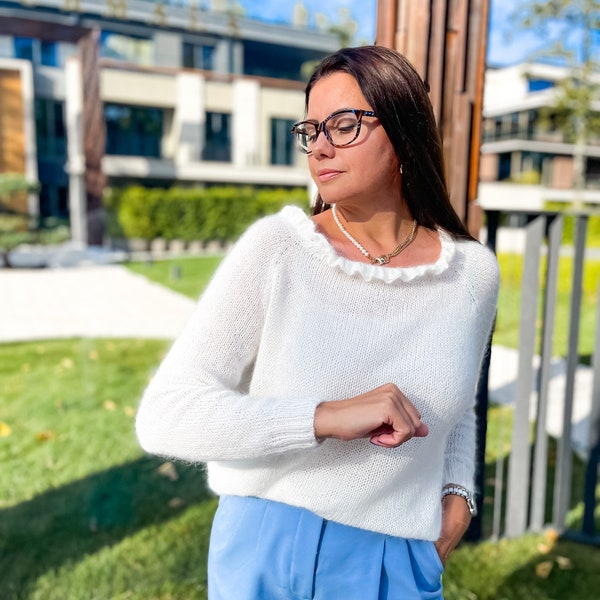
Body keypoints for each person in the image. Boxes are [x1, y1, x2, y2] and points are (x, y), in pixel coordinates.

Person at [136, 45, 499, 599]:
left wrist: (458, 497)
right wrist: (325, 417)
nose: (320, 147)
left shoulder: (472, 273)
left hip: (401, 558)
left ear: (404, 132)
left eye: (345, 124)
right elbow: (164, 415)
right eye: (311, 129)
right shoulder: (279, 249)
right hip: (271, 546)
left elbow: (459, 404)